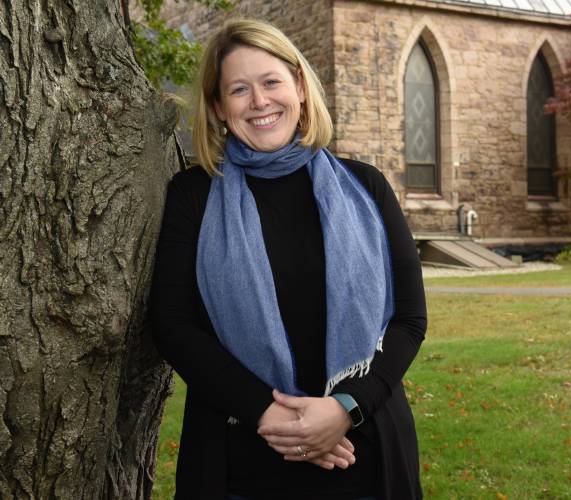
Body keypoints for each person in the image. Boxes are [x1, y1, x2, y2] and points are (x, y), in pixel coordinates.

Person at [150, 18, 427, 500]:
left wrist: (345, 407)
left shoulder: (366, 187)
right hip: (240, 452)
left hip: (363, 450)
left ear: (299, 86)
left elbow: (409, 320)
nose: (259, 102)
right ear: (217, 107)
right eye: (238, 89)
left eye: (271, 82)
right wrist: (274, 416)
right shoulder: (193, 195)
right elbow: (173, 323)